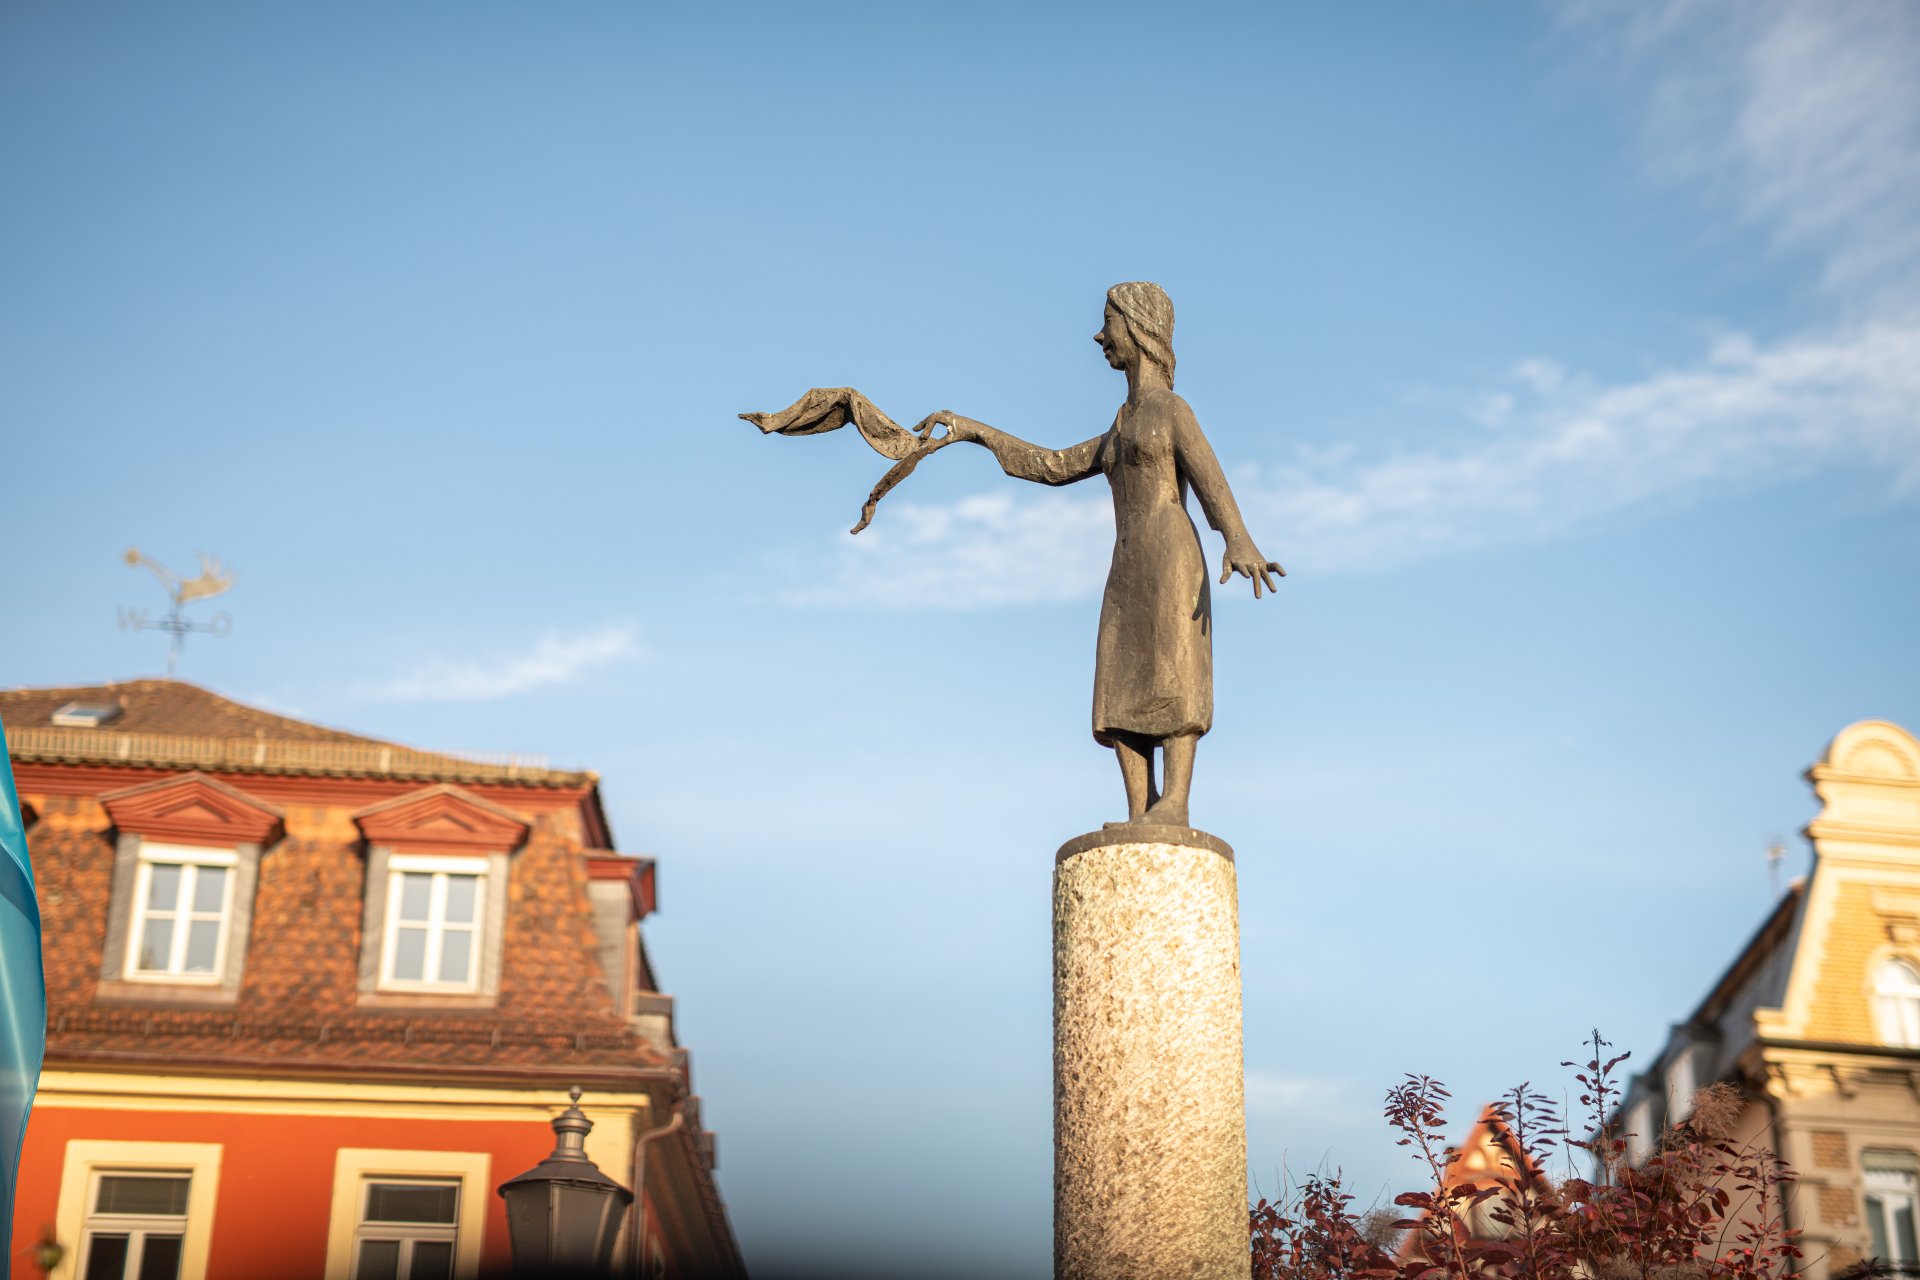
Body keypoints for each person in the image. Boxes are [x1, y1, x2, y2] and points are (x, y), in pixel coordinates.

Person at [916, 282, 1283, 827]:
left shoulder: (1170, 411)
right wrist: (972, 432)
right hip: (1128, 564)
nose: (1099, 335)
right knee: (1118, 684)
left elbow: (1209, 477)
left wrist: (1238, 537)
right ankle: (1140, 808)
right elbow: (1049, 464)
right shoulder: (1119, 426)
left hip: (1171, 559)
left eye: (1107, 322)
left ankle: (1174, 803)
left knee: (1172, 676)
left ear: (1137, 329)